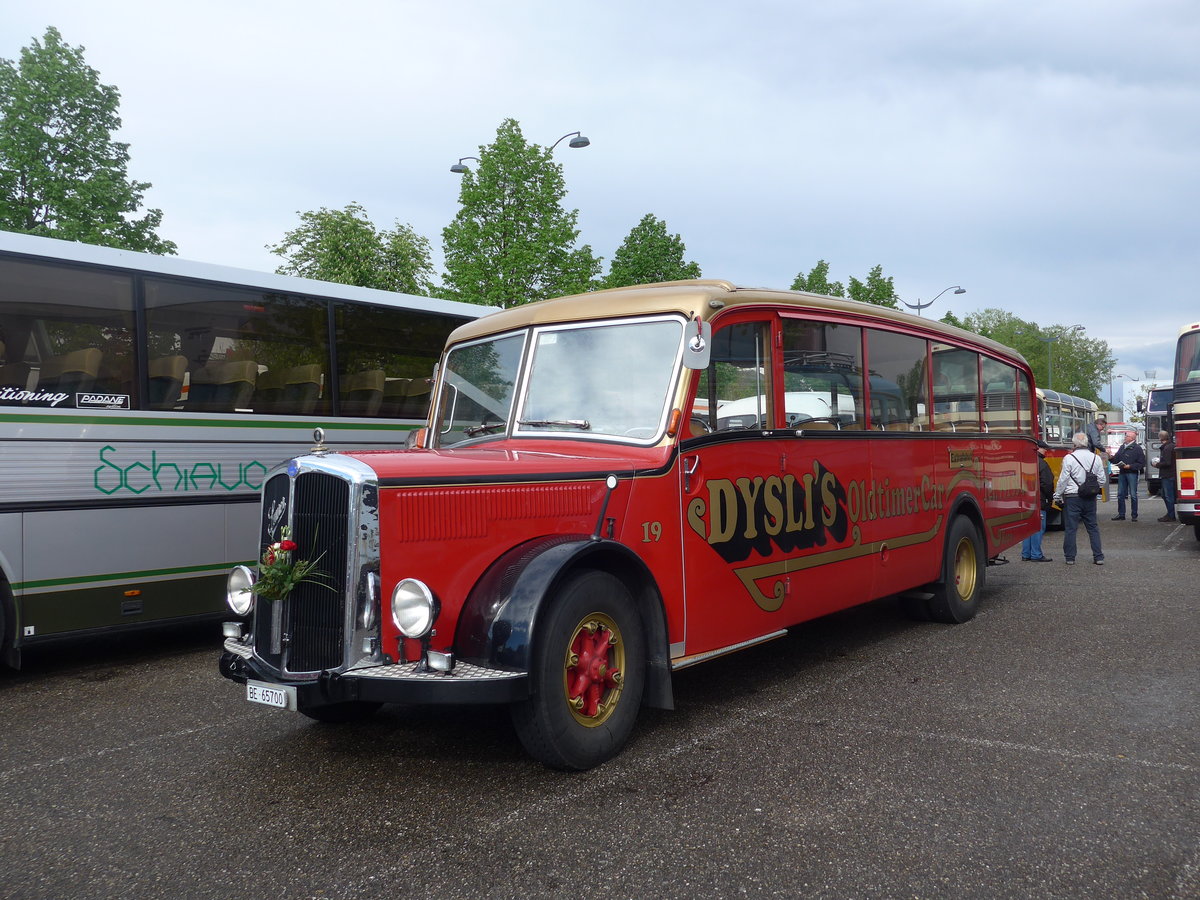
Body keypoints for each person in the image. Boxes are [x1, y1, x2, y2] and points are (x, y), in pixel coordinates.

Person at [1054, 432, 1105, 566]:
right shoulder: (1096, 458)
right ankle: (1098, 556)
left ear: (1074, 444)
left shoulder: (1069, 458)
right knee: (1093, 527)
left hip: (1072, 497)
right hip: (1090, 497)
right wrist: (1092, 488)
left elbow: (1063, 479)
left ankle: (1070, 557)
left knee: (1071, 528)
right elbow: (1102, 480)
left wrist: (1057, 494)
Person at [1021, 439, 1054, 562]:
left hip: (1025, 498)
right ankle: (1036, 554)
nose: (1046, 451)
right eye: (1044, 448)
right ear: (1038, 448)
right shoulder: (1042, 464)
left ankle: (1026, 553)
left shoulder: (1024, 461)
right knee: (1038, 527)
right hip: (1039, 499)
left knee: (1028, 527)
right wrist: (1050, 498)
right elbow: (1047, 484)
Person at [1109, 430, 1146, 521]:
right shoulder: (1122, 447)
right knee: (1120, 494)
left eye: (1127, 436)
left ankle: (1134, 515)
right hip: (1122, 473)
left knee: (1133, 494)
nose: (1125, 437)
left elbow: (1141, 463)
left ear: (1132, 438)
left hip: (1132, 473)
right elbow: (1116, 459)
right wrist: (1110, 458)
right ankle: (1121, 514)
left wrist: (1130, 466)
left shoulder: (1137, 448)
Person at [1152, 429, 1176, 522]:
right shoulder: (1172, 446)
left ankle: (1171, 515)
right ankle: (1170, 513)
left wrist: (1157, 464)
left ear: (1160, 438)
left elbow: (1167, 462)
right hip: (1171, 474)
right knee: (1166, 495)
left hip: (1167, 475)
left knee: (1167, 496)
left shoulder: (1166, 448)